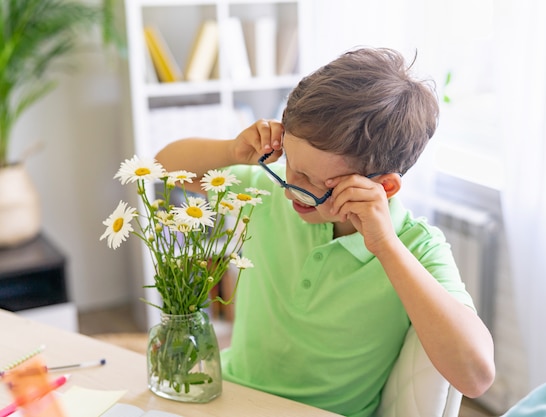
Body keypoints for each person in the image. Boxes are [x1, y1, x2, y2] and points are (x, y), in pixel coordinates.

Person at [156, 47, 495, 417]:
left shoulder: (415, 246)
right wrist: (233, 151)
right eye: (290, 165)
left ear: (384, 187)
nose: (289, 189)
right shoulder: (269, 193)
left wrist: (385, 246)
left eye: (313, 183)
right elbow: (162, 165)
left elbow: (476, 377)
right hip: (230, 397)